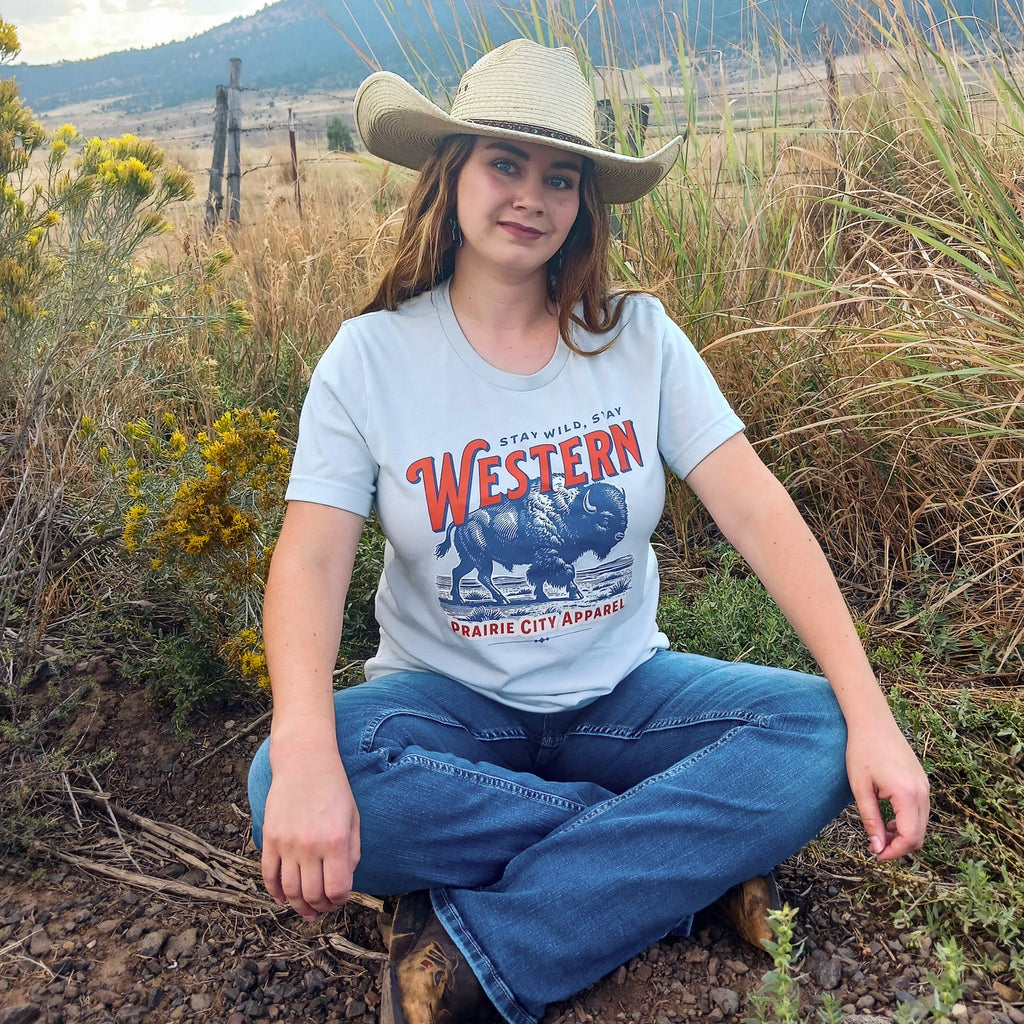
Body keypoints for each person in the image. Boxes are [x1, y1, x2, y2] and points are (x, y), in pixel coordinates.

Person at [247, 38, 929, 1024]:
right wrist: (310, 748)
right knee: (283, 775)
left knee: (823, 732)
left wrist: (873, 714)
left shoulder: (637, 340)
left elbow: (756, 507)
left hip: (624, 699)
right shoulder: (371, 358)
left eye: (559, 176)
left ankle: (475, 954)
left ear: (583, 202)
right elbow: (310, 558)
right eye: (504, 163)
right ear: (451, 174)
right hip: (445, 711)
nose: (530, 194)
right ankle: (681, 862)